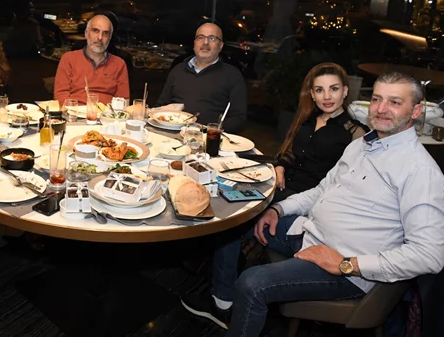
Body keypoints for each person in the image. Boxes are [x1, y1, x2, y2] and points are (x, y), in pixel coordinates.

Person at [180, 71, 444, 336]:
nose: (382, 108)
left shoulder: (420, 170)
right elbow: (320, 191)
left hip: (347, 271)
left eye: (395, 102)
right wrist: (278, 209)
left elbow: (430, 255)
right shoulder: (360, 147)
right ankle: (223, 302)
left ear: (416, 110)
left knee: (252, 283)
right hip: (308, 233)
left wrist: (347, 264)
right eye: (376, 99)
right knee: (232, 222)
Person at [274, 62, 367, 201]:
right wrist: (280, 167)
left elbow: (354, 180)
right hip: (282, 187)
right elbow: (293, 152)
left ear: (345, 91)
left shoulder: (355, 132)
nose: (327, 96)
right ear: (312, 94)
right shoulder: (307, 119)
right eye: (319, 90)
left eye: (334, 89)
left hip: (313, 201)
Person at [156, 22, 247, 132]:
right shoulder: (178, 70)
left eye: (212, 38)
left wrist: (209, 131)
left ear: (220, 46)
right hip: (171, 132)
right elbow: (161, 106)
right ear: (194, 44)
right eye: (200, 37)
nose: (205, 42)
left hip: (208, 137)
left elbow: (238, 119)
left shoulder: (232, 75)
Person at [54, 14, 130, 105]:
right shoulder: (68, 59)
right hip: (75, 111)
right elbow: (60, 96)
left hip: (107, 112)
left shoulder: (119, 64)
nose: (100, 37)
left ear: (110, 37)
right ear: (86, 33)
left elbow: (124, 101)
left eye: (105, 33)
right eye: (95, 31)